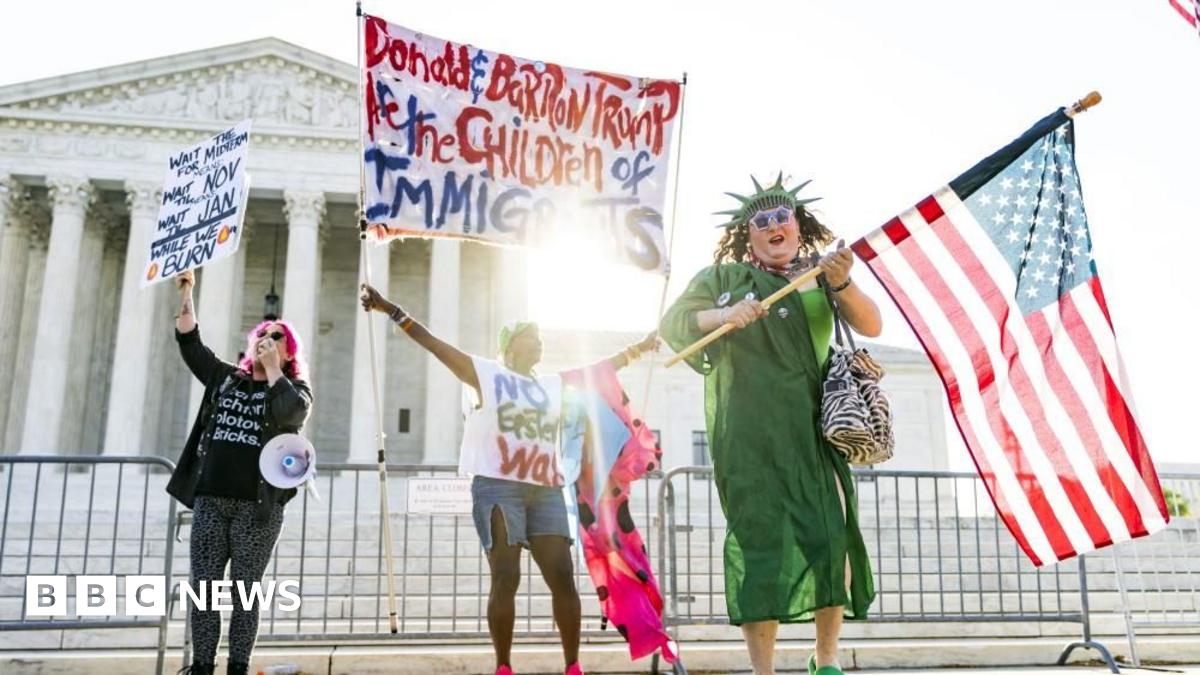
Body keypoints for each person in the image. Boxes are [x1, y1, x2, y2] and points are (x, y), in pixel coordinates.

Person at [359, 283, 656, 675]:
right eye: (532, 339)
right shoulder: (487, 374)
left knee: (562, 577)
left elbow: (597, 372)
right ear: (512, 345)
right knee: (506, 576)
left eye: (541, 340)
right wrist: (391, 309)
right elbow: (435, 345)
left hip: (545, 488)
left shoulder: (551, 384)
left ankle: (572, 665)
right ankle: (503, 665)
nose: (540, 346)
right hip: (497, 487)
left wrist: (640, 346)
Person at [659, 174, 882, 675]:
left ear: (798, 225)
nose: (774, 225)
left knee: (831, 539)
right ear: (749, 234)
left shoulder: (821, 275)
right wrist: (724, 316)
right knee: (760, 546)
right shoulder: (723, 279)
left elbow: (871, 325)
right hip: (750, 434)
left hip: (812, 430)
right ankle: (764, 670)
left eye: (783, 215)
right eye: (761, 221)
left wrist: (843, 281)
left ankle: (825, 660)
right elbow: (675, 323)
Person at [166, 269, 314, 675]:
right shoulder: (226, 379)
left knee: (246, 591)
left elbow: (292, 413)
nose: (268, 338)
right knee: (205, 588)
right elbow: (191, 344)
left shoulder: (294, 390)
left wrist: (276, 373)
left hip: (258, 507)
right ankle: (201, 666)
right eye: (263, 333)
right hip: (212, 497)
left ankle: (238, 666)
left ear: (288, 352)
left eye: (278, 336)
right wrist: (187, 294)